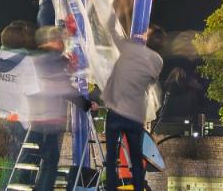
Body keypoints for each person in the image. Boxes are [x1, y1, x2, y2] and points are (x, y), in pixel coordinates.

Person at [24, 26, 93, 191]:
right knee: (50, 162)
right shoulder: (54, 60)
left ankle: (33, 186)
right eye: (61, 41)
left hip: (34, 117)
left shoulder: (34, 58)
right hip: (51, 118)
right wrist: (86, 104)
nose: (63, 44)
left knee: (32, 161)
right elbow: (64, 88)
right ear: (53, 42)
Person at [103, 25, 165, 191]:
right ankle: (138, 187)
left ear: (147, 38)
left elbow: (113, 34)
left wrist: (114, 12)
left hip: (116, 110)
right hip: (135, 114)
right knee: (136, 156)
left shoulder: (130, 49)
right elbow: (151, 82)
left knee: (111, 156)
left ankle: (111, 187)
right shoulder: (158, 61)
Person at [0, 20, 38, 184]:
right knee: (12, 167)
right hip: (17, 119)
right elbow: (33, 93)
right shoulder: (27, 61)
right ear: (22, 40)